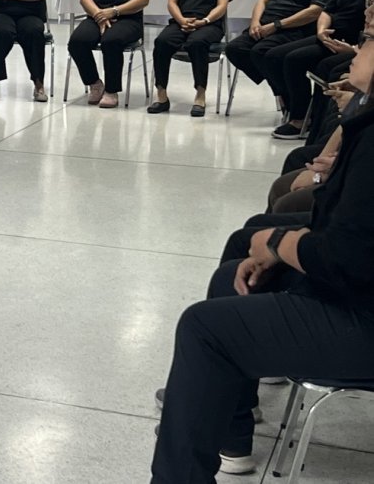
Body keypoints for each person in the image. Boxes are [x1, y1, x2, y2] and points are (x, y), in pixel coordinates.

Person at [150, 24, 374, 482]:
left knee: (203, 326)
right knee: (233, 277)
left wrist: (277, 243)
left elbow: (346, 258)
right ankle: (230, 436)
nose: (357, 46)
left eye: (369, 39)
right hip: (357, 291)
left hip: (362, 313)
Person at [268, 0, 374, 138]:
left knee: (306, 63)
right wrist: (321, 31)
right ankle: (291, 105)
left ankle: (304, 120)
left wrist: (354, 49)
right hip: (327, 36)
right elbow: (327, 10)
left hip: (353, 43)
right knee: (275, 55)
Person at [225, 0, 339, 120]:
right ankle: (282, 90)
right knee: (235, 48)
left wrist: (277, 25)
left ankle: (294, 103)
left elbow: (314, 12)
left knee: (262, 52)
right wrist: (255, 22)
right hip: (265, 25)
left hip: (294, 30)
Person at [148, 0, 234, 117]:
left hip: (209, 25)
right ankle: (161, 95)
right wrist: (181, 20)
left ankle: (200, 95)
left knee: (197, 42)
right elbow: (172, 2)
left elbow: (222, 6)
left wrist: (204, 21)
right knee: (162, 42)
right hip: (181, 22)